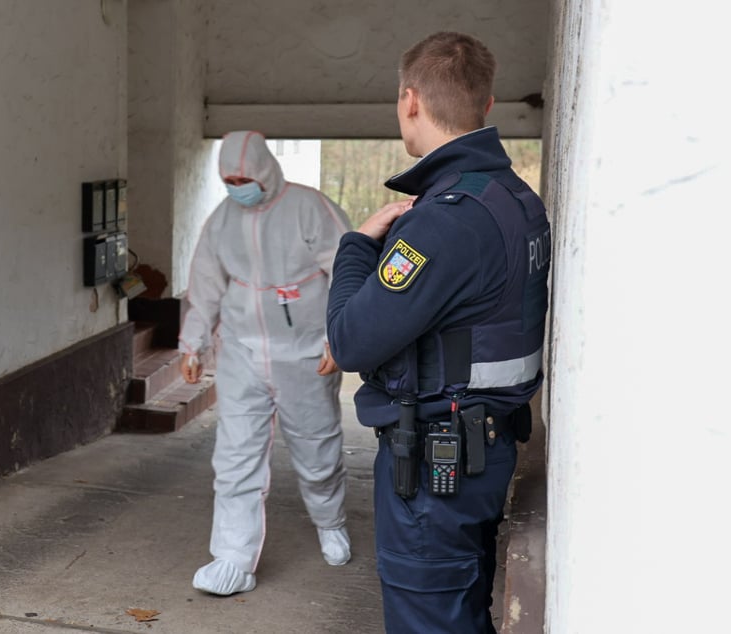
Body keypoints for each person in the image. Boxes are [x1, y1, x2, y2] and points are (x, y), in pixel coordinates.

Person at [326, 32, 551, 633]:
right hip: (486, 445)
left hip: (434, 468)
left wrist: (355, 248)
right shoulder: (515, 198)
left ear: (409, 101)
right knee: (464, 607)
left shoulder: (442, 222)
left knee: (430, 616)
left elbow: (350, 341)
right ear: (487, 105)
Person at [179, 130, 353, 597]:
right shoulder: (222, 221)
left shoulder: (309, 209)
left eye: (244, 177)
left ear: (265, 170)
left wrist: (340, 338)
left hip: (305, 350)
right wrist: (192, 343)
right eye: (229, 179)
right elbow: (206, 284)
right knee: (235, 455)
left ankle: (329, 521)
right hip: (242, 351)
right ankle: (232, 557)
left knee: (316, 446)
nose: (239, 186)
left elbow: (348, 272)